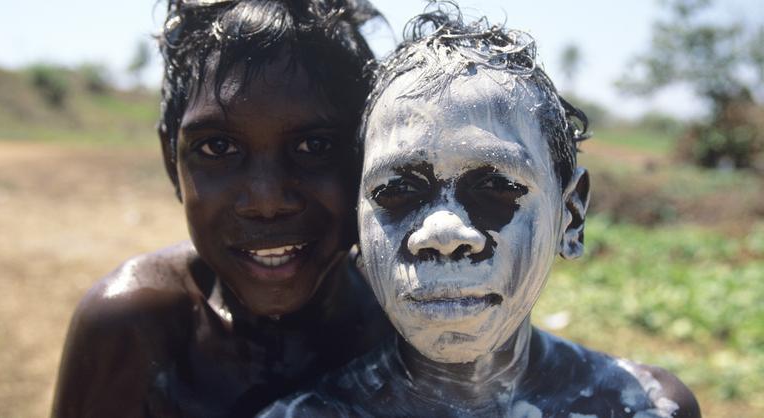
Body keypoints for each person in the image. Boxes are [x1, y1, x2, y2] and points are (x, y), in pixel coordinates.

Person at [260, 6, 702, 417]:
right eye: (397, 191)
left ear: (571, 215)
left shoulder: (645, 408)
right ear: (357, 225)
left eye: (496, 187)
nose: (443, 232)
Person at [51, 0, 393, 416]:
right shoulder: (133, 333)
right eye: (218, 147)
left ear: (369, 153)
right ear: (169, 161)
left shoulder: (405, 320)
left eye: (314, 146)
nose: (267, 201)